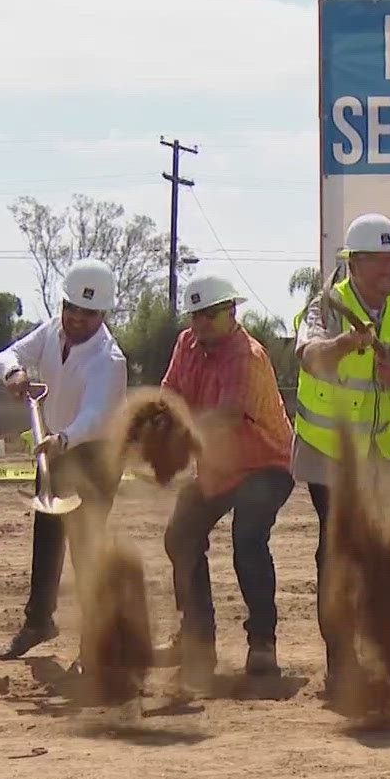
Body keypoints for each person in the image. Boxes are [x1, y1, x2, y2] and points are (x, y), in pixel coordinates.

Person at [293, 213, 390, 693]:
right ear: (353, 263)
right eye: (378, 261)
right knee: (340, 552)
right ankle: (342, 661)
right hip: (332, 452)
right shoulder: (326, 306)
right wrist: (343, 344)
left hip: (388, 448)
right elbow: (308, 355)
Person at [0, 258, 128, 661]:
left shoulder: (109, 359)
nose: (77, 319)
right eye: (72, 309)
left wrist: (63, 438)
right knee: (47, 539)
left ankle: (95, 639)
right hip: (54, 447)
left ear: (101, 314)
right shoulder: (52, 330)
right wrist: (13, 373)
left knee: (86, 545)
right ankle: (39, 622)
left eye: (88, 313)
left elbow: (96, 414)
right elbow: (8, 354)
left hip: (94, 455)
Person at [161, 274, 295, 687]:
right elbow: (170, 393)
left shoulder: (247, 357)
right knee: (180, 535)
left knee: (248, 537)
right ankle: (198, 638)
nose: (199, 325)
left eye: (208, 316)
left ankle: (262, 643)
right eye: (195, 317)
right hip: (219, 467)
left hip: (266, 464)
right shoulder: (187, 344)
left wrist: (175, 436)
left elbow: (226, 417)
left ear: (231, 313)